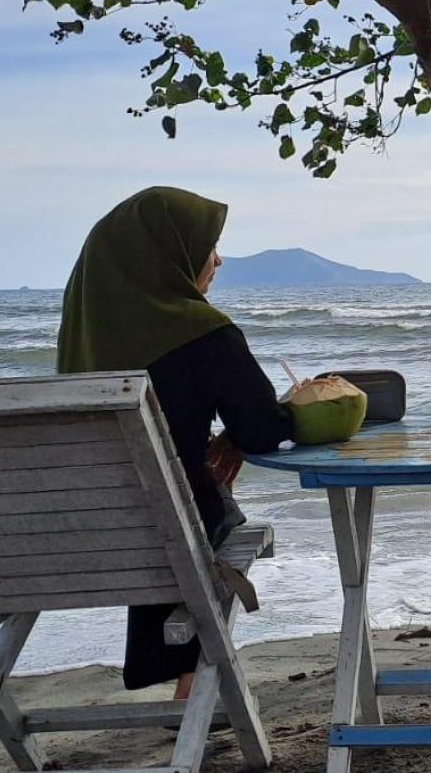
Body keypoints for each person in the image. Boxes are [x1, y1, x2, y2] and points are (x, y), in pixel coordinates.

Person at [57, 186, 294, 697]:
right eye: (208, 245)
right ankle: (193, 689)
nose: (218, 259)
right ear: (171, 253)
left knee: (165, 510)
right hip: (176, 535)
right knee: (211, 517)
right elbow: (264, 429)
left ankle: (186, 682)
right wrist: (246, 431)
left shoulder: (83, 336)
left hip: (80, 538)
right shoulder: (199, 331)